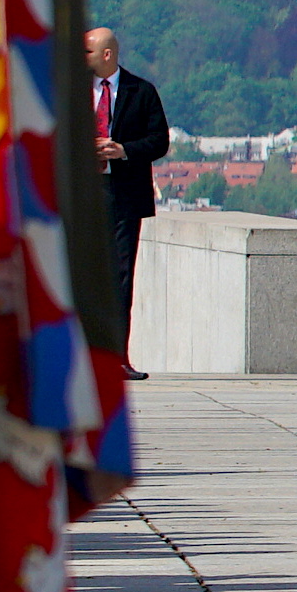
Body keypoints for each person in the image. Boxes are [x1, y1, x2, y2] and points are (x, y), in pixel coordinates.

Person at [87, 22, 166, 363]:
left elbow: (159, 141)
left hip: (123, 196)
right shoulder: (69, 91)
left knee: (120, 279)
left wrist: (123, 150)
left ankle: (117, 358)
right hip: (83, 195)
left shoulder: (140, 91)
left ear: (107, 54)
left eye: (87, 51)